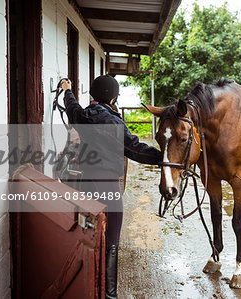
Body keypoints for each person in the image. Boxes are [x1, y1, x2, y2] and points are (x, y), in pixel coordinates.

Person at [61, 75, 161, 299]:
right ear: (114, 98)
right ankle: (110, 295)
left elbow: (71, 106)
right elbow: (135, 150)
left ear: (93, 95)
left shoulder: (81, 116)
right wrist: (163, 158)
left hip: (85, 184)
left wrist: (67, 89)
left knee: (87, 233)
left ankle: (85, 287)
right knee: (112, 239)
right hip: (108, 186)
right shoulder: (115, 122)